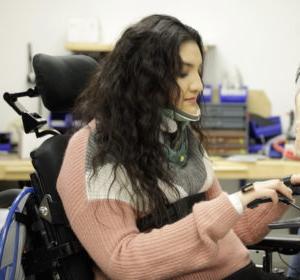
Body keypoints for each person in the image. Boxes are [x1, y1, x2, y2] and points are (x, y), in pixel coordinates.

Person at [57, 14, 300, 280]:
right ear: (144, 78)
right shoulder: (94, 151)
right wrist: (233, 204)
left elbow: (227, 231)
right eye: (183, 72)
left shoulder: (181, 137)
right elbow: (123, 261)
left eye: (198, 70)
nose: (198, 84)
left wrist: (282, 191)